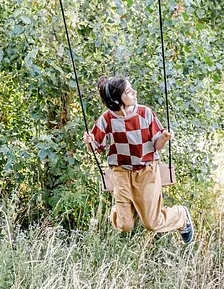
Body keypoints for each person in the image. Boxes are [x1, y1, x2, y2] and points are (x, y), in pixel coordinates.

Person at [83, 74, 194, 243]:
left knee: (152, 223)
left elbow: (157, 145)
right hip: (121, 172)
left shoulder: (145, 113)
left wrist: (163, 138)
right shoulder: (106, 119)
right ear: (117, 99)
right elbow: (96, 147)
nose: (134, 92)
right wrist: (88, 142)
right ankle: (125, 209)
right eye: (128, 91)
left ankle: (181, 216)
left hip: (146, 171)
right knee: (124, 225)